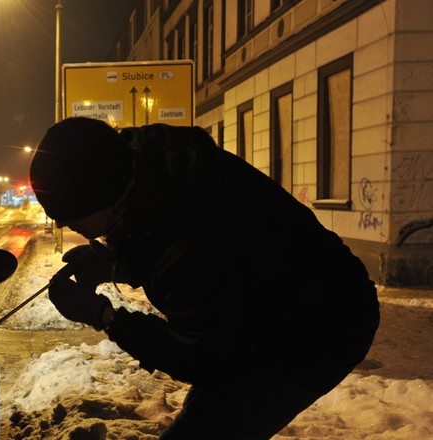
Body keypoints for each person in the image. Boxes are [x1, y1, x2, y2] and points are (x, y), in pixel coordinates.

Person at [28, 117, 380, 439]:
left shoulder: (187, 242)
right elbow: (162, 236)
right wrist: (117, 264)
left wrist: (103, 316)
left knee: (213, 426)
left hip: (320, 327)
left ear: (102, 196)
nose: (62, 225)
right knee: (211, 415)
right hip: (269, 308)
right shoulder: (155, 172)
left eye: (69, 214)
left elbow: (196, 355)